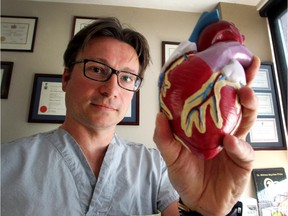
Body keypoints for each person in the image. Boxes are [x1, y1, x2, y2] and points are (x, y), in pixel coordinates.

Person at [1, 17, 260, 215]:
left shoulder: (159, 169)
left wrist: (206, 210)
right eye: (96, 69)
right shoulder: (6, 164)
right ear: (66, 78)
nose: (111, 89)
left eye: (126, 77)